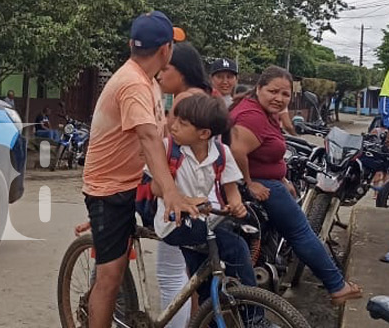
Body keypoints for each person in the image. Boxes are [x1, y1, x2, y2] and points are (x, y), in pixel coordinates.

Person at [82, 11, 194, 328]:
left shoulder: (148, 82)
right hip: (110, 188)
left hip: (136, 182)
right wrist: (170, 192)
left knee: (191, 237)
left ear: (133, 44)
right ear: (165, 50)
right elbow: (147, 137)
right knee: (110, 276)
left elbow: (161, 136)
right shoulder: (132, 84)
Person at [229, 66, 363, 305]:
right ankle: (337, 285)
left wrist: (283, 178)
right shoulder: (253, 116)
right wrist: (250, 183)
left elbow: (267, 152)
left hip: (271, 182)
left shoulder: (264, 112)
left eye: (285, 94)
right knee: (301, 232)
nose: (279, 98)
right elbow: (236, 151)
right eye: (273, 91)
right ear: (259, 88)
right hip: (262, 186)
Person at [155, 94, 255, 306]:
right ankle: (255, 318)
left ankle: (211, 315)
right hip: (173, 222)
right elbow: (156, 186)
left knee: (208, 285)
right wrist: (186, 199)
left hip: (203, 222)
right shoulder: (167, 148)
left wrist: (235, 204)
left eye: (183, 123)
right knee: (235, 248)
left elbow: (231, 188)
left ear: (204, 134)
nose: (173, 126)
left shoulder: (221, 152)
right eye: (176, 119)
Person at [152, 41, 212, 327]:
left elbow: (167, 149)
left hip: (180, 193)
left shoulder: (183, 100)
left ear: (183, 70)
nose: (159, 75)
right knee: (189, 274)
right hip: (203, 190)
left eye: (166, 69)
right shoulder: (204, 97)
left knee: (170, 274)